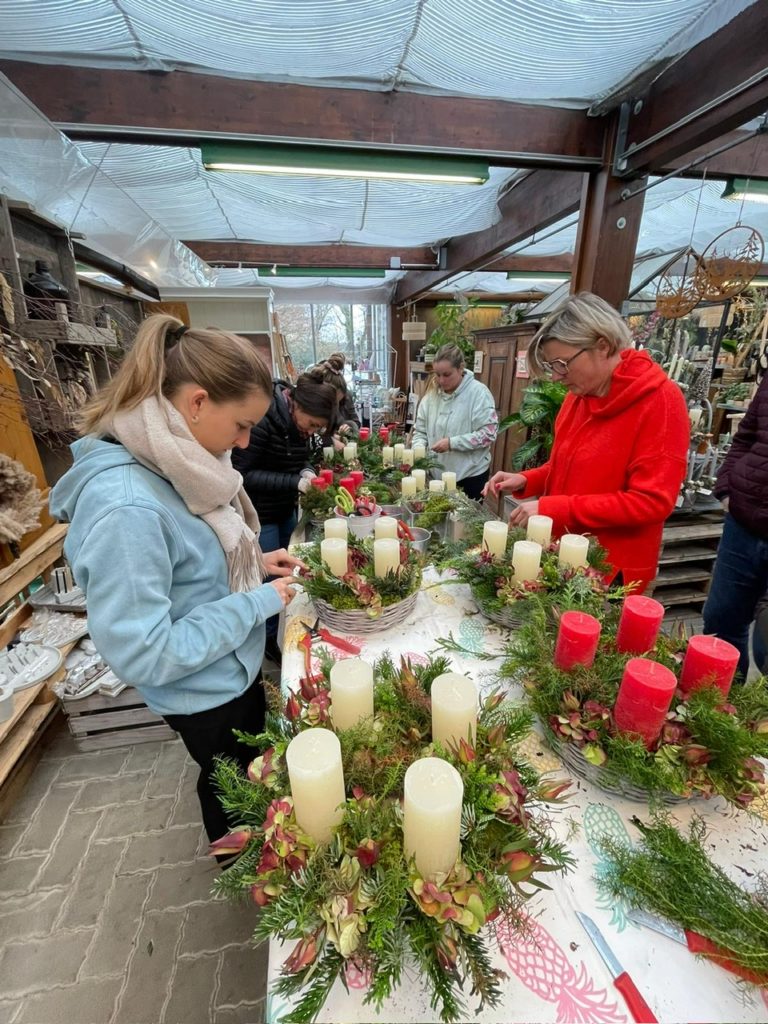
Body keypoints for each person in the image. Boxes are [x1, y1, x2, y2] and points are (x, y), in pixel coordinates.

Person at [49, 315, 303, 845]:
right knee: (227, 787)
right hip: (203, 689)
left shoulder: (174, 463)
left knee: (245, 774)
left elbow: (184, 568)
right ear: (197, 402)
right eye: (240, 425)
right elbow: (146, 648)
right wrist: (256, 603)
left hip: (228, 668)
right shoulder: (125, 506)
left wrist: (254, 562)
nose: (246, 439)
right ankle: (242, 869)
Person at [484, 292, 689, 592]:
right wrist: (526, 479)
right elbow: (565, 467)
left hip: (611, 571)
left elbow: (651, 501)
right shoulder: (578, 397)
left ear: (602, 346)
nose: (556, 377)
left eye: (561, 364)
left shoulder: (660, 401)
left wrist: (555, 509)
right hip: (563, 557)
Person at [232, 372, 337, 662]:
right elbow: (241, 475)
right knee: (267, 579)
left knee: (292, 570)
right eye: (312, 424)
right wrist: (293, 482)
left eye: (318, 428)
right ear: (296, 406)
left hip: (284, 509)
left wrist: (306, 470)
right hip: (261, 515)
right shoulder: (264, 420)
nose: (312, 431)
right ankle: (268, 642)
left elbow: (295, 456)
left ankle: (288, 629)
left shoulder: (298, 427)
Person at [702, 374, 768, 679]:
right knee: (721, 622)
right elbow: (747, 434)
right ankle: (718, 712)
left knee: (765, 647)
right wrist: (727, 486)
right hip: (744, 520)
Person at [411, 342, 498, 499]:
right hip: (436, 477)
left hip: (469, 477)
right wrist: (419, 455)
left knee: (463, 523)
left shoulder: (479, 394)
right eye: (437, 375)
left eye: (447, 374)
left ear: (460, 368)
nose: (441, 381)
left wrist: (452, 443)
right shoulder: (431, 396)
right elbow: (420, 432)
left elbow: (488, 434)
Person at [310, 353, 361, 445]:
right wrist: (330, 438)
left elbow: (356, 422)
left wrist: (348, 426)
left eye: (338, 401)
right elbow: (313, 429)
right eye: (333, 401)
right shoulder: (311, 407)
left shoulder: (346, 396)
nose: (335, 405)